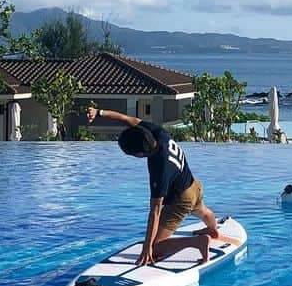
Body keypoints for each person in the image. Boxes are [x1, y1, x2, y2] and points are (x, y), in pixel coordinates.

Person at [86, 105, 219, 265]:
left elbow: (155, 211)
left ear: (140, 154)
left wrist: (147, 246)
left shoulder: (159, 168)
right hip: (194, 185)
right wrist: (100, 112)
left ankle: (198, 242)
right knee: (203, 211)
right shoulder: (157, 133)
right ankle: (213, 229)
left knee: (156, 248)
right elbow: (127, 119)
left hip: (181, 200)